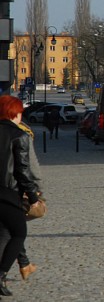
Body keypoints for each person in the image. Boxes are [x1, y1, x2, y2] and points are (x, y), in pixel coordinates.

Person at [0, 95, 42, 296]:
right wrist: (33, 197)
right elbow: (22, 171)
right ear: (14, 113)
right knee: (19, 232)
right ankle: (1, 275)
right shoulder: (19, 136)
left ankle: (21, 265)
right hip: (8, 192)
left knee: (4, 233)